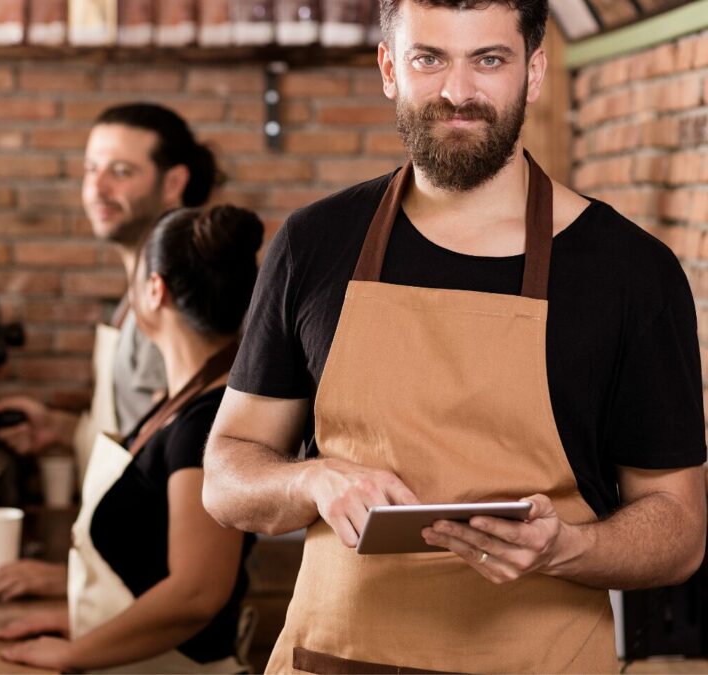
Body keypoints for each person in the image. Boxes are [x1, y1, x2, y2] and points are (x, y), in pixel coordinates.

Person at [202, 1, 707, 673]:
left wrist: (568, 547)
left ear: (533, 72)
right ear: (389, 68)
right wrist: (312, 480)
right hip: (333, 659)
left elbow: (679, 525)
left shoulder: (630, 273)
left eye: (489, 60)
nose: (457, 92)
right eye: (428, 58)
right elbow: (224, 476)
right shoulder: (313, 244)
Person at [0, 205, 263, 672]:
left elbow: (196, 592)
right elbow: (150, 568)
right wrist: (81, 621)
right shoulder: (175, 407)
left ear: (154, 291)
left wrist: (76, 652)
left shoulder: (202, 425)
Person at [0, 103, 224, 602]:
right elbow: (139, 433)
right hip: (120, 590)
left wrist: (69, 580)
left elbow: (181, 471)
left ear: (174, 182)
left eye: (121, 171)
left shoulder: (173, 308)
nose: (97, 187)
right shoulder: (133, 302)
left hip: (150, 594)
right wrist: (59, 428)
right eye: (91, 169)